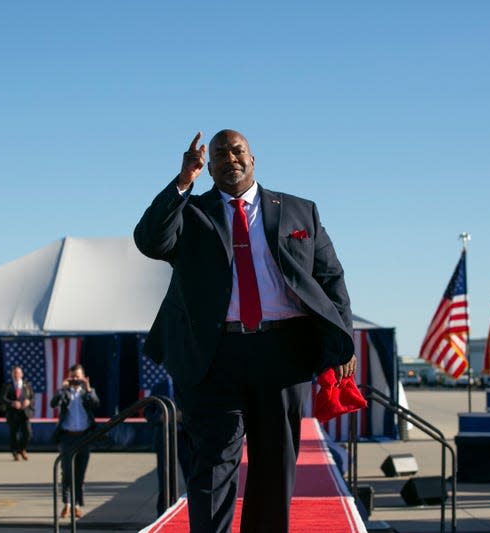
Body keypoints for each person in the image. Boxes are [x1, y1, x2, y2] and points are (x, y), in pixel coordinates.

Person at [134, 130, 356, 532]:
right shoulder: (190, 212)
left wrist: (343, 340)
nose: (229, 158)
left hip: (283, 354)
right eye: (219, 154)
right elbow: (150, 241)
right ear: (209, 165)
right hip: (214, 355)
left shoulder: (299, 211)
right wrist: (184, 181)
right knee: (214, 465)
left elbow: (330, 279)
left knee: (275, 465)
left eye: (237, 151)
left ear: (254, 159)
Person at [50, 364, 99, 519]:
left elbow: (96, 404)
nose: (75, 380)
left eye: (78, 377)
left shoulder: (87, 392)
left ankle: (77, 504)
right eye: (73, 377)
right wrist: (61, 390)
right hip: (67, 436)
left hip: (84, 436)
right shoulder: (65, 393)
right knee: (66, 471)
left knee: (79, 473)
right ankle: (67, 503)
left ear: (83, 377)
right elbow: (53, 404)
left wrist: (88, 388)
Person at [144, 376, 192, 516]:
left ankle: (193, 510)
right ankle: (163, 513)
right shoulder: (159, 387)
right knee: (165, 479)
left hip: (184, 438)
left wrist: (182, 417)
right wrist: (158, 418)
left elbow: (197, 409)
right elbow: (148, 412)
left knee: (191, 475)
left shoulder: (187, 384)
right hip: (164, 439)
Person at [0, 366, 34, 461]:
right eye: (15, 373)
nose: (16, 375)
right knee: (14, 434)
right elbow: (2, 398)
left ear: (22, 374)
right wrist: (12, 403)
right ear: (12, 375)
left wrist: (29, 402)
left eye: (18, 373)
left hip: (24, 413)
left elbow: (32, 398)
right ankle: (15, 452)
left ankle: (22, 449)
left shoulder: (27, 386)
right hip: (13, 414)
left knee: (28, 433)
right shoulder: (8, 386)